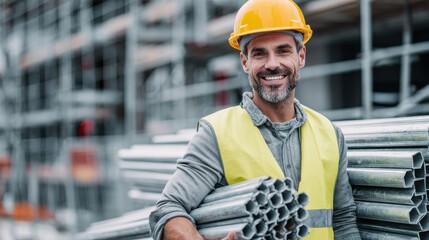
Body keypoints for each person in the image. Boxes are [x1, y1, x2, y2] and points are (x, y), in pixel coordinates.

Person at [149, 0, 361, 239]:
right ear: (245, 62)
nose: (272, 64)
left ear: (301, 56)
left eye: (283, 50)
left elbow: (342, 219)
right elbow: (167, 211)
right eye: (259, 53)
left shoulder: (330, 134)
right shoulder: (217, 134)